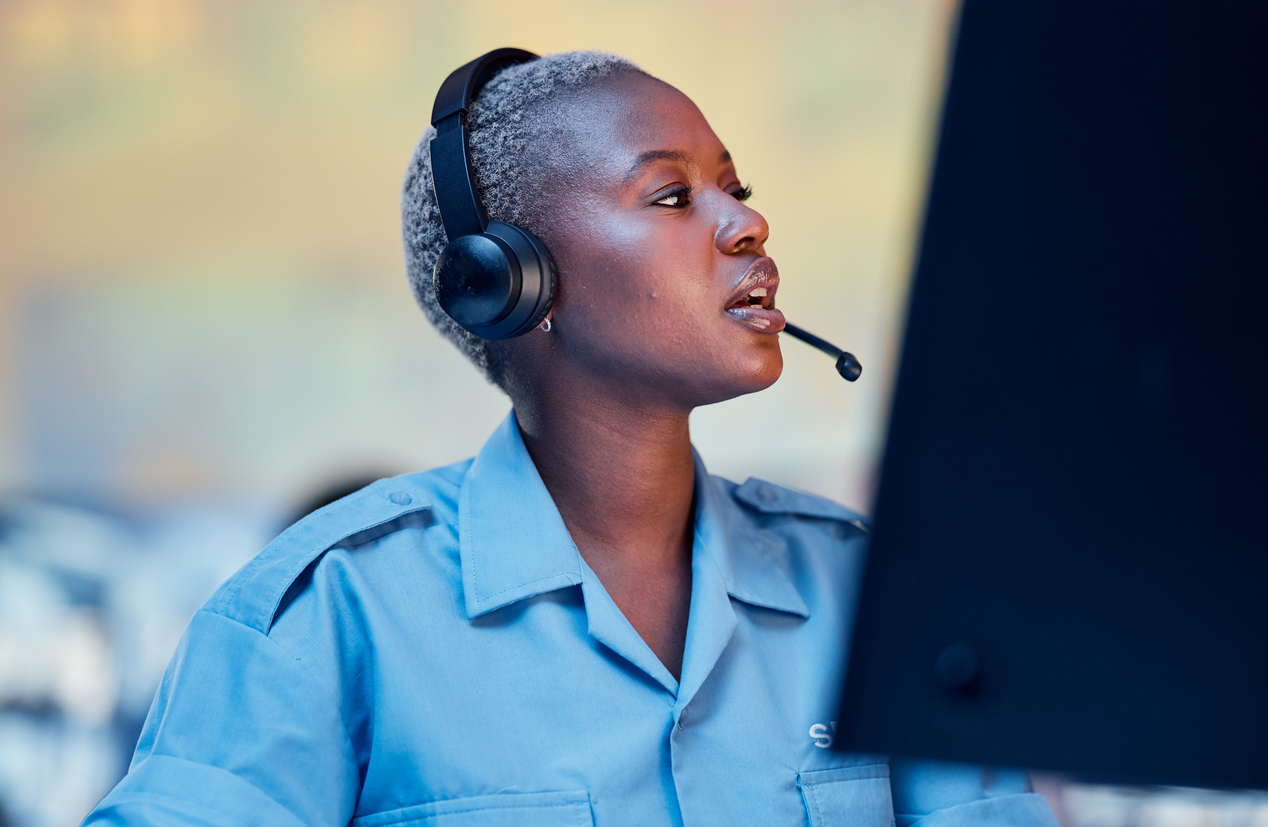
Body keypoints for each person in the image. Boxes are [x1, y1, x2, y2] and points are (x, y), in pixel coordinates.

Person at [85, 50, 1058, 826]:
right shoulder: (330, 613)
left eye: (735, 186)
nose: (747, 222)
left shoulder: (867, 593)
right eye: (672, 196)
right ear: (511, 281)